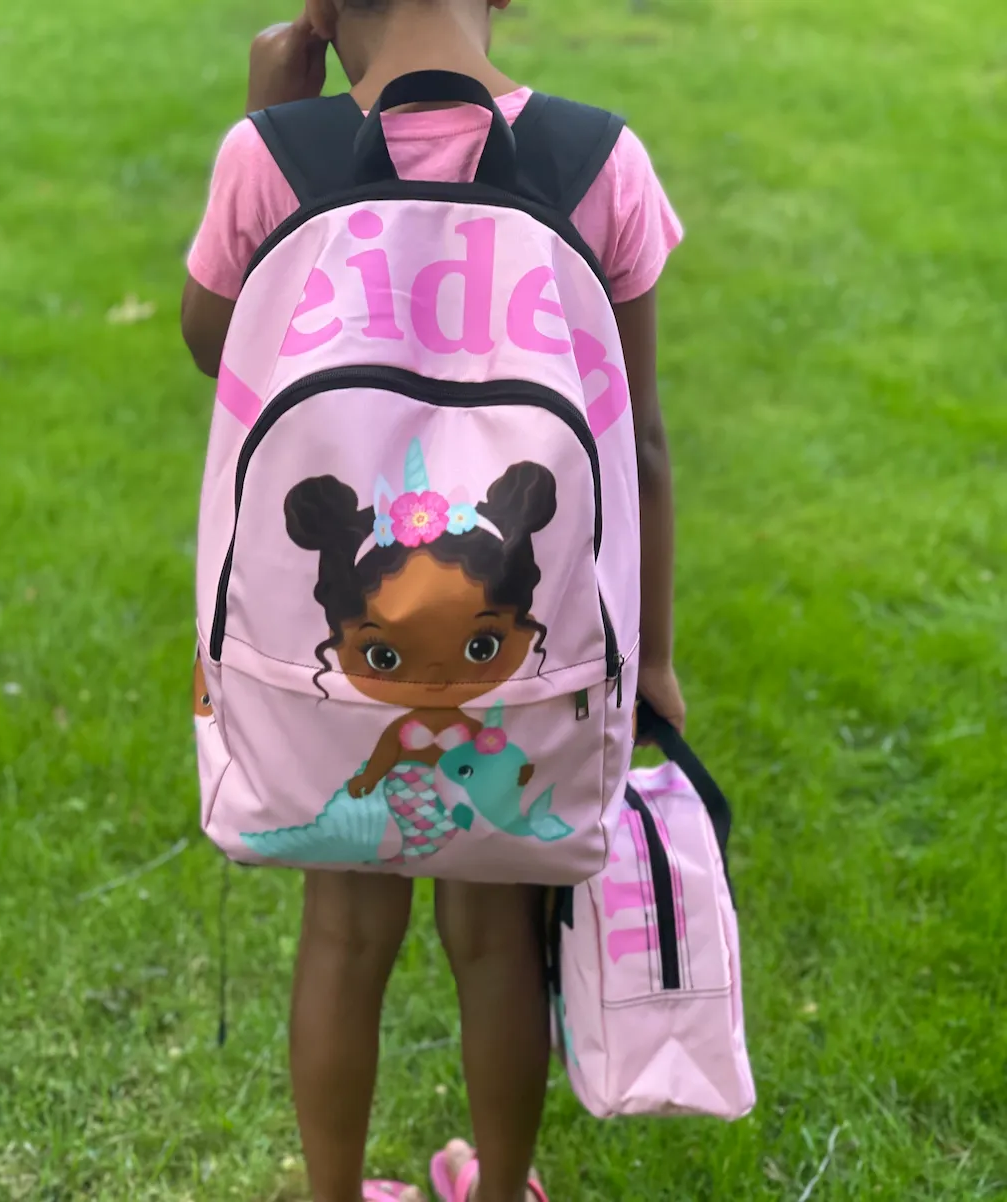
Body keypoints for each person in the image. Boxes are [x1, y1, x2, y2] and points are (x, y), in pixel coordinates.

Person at [182, 2, 686, 1199]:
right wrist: (653, 659)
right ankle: (503, 1186)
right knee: (495, 936)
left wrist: (270, 108)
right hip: (530, 646)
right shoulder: (595, 158)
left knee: (345, 935)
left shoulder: (277, 155)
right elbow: (647, 446)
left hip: (333, 656)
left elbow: (211, 340)